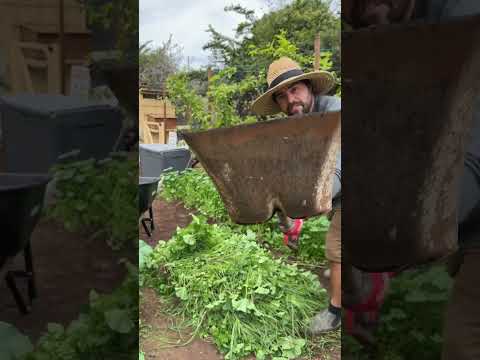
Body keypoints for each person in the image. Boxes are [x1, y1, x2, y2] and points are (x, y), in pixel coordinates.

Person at [251, 57, 342, 333]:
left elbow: (338, 165)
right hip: (336, 187)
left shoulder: (336, 112)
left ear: (309, 87)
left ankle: (336, 313)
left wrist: (309, 201)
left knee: (336, 246)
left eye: (295, 90)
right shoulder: (296, 122)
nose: (290, 100)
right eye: (281, 96)